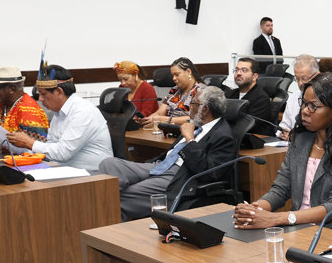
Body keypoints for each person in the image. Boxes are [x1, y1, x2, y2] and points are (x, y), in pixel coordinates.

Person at [234, 73, 332, 232]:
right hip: (298, 227)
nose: (305, 111)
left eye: (313, 106)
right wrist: (255, 209)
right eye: (304, 103)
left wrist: (277, 218)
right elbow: (281, 189)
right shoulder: (300, 140)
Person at [98, 85, 236, 220]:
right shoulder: (195, 125)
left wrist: (190, 140)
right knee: (108, 163)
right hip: (161, 165)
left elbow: (209, 172)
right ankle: (106, 204)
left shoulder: (223, 135)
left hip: (179, 175)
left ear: (204, 109)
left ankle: (106, 222)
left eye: (193, 103)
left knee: (120, 198)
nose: (189, 107)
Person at [4, 65, 112, 171]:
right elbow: (50, 148)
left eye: (43, 94)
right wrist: (22, 150)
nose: (40, 99)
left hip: (93, 175)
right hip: (65, 170)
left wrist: (29, 143)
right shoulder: (58, 113)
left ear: (59, 92)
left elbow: (62, 153)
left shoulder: (83, 111)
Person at [137, 57, 205, 126]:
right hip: (167, 128)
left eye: (177, 75)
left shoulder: (202, 91)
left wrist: (163, 119)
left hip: (189, 130)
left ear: (188, 71)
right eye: (173, 75)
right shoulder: (174, 90)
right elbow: (159, 113)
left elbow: (195, 119)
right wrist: (147, 119)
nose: (174, 78)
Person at [230, 57, 276, 135]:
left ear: (254, 76)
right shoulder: (230, 94)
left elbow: (246, 125)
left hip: (254, 139)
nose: (238, 73)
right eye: (236, 70)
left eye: (244, 70)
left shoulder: (261, 98)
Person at [279, 54, 319, 137]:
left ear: (317, 75)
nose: (300, 83)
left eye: (304, 78)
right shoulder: (294, 97)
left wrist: (295, 136)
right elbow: (284, 125)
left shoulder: (324, 98)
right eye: (297, 79)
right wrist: (284, 132)